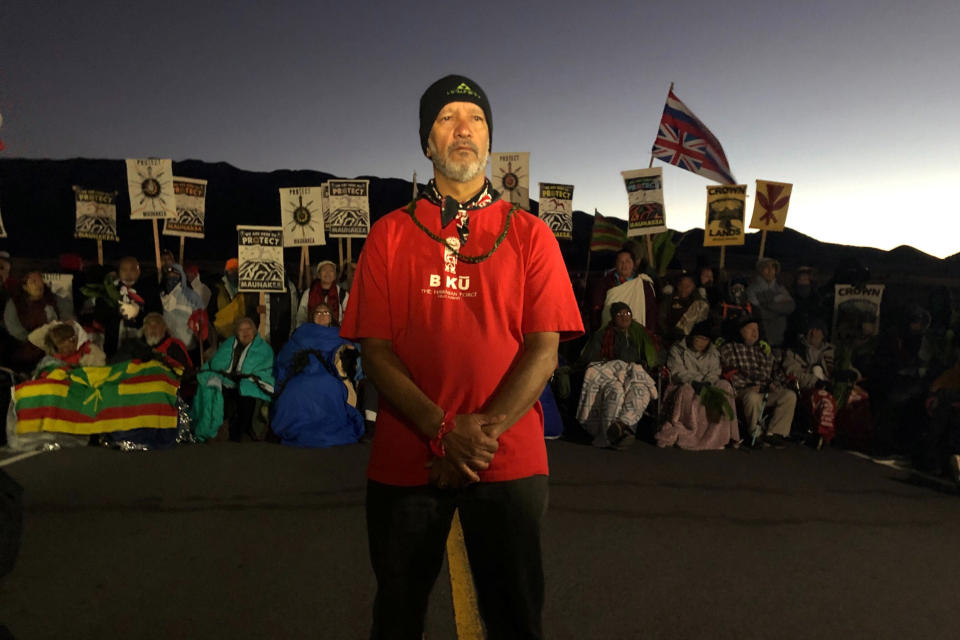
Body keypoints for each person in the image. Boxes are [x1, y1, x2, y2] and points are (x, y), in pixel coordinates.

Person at [339, 74, 583, 639]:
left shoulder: (530, 234)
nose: (463, 129)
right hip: (407, 455)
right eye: (447, 118)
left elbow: (544, 351)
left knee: (515, 618)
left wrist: (474, 439)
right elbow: (375, 351)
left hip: (507, 455)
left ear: (490, 141)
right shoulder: (389, 235)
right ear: (427, 142)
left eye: (475, 119)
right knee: (397, 615)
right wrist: (442, 429)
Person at [576, 302, 658, 449]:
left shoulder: (640, 333)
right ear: (613, 317)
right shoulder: (603, 334)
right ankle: (611, 436)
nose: (624, 317)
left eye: (627, 314)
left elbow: (656, 353)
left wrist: (645, 365)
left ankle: (622, 426)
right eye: (619, 314)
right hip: (611, 374)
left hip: (633, 373)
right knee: (616, 391)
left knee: (641, 391)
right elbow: (590, 358)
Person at [270, 321, 363, 447]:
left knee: (331, 387)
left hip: (329, 373)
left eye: (326, 312)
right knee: (294, 390)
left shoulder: (337, 335)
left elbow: (346, 356)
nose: (322, 315)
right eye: (319, 313)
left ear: (331, 316)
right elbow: (287, 354)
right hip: (301, 371)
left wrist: (339, 354)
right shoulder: (303, 332)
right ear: (312, 316)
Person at [656, 321, 739, 450]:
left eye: (705, 339)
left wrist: (708, 383)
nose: (702, 342)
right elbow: (677, 372)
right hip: (684, 384)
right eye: (699, 338)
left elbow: (715, 372)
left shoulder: (713, 353)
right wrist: (695, 381)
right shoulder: (678, 350)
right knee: (687, 391)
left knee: (724, 386)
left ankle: (724, 436)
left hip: (707, 384)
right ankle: (689, 434)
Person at [192, 317, 274, 442]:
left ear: (255, 331)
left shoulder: (263, 348)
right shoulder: (228, 345)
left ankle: (239, 433)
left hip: (251, 382)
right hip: (229, 381)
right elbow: (217, 363)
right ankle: (213, 428)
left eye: (248, 329)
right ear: (236, 333)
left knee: (246, 396)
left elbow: (266, 368)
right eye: (241, 330)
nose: (245, 332)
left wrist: (246, 378)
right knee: (212, 390)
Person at [720, 316, 797, 447]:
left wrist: (774, 385)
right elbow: (731, 373)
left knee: (789, 396)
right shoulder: (730, 348)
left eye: (756, 329)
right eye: (751, 329)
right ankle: (756, 434)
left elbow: (776, 372)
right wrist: (750, 385)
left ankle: (774, 433)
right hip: (744, 390)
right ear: (741, 331)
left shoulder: (763, 350)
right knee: (752, 397)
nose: (755, 333)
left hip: (765, 390)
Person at [3, 271, 74, 371]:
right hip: (28, 346)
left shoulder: (53, 299)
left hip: (56, 342)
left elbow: (66, 317)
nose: (38, 285)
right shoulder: (15, 304)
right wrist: (34, 340)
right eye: (33, 282)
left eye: (40, 281)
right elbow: (14, 329)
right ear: (25, 287)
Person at [589, 247, 659, 334]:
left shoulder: (643, 284)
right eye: (621, 262)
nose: (624, 265)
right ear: (616, 264)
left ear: (633, 264)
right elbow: (597, 308)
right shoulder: (605, 283)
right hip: (610, 333)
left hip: (637, 332)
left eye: (628, 261)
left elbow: (651, 311)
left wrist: (650, 334)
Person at [746, 257, 795, 347]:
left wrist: (769, 305)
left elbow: (790, 307)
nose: (770, 271)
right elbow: (758, 312)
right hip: (762, 336)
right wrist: (779, 312)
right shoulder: (752, 289)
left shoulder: (780, 288)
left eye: (773, 268)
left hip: (779, 336)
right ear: (760, 270)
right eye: (766, 268)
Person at [28, 321, 106, 374]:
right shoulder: (54, 345)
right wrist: (56, 325)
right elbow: (33, 337)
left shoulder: (90, 352)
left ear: (71, 340)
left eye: (64, 349)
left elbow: (101, 373)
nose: (61, 352)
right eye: (59, 349)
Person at [659, 272, 709, 344]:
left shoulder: (698, 302)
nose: (684, 289)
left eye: (688, 286)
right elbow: (662, 317)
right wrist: (666, 333)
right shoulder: (670, 299)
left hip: (690, 340)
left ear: (693, 286)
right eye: (681, 285)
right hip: (670, 337)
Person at [296, 260, 341, 326]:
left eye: (331, 271)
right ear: (319, 275)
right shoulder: (309, 293)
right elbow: (301, 315)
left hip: (335, 333)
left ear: (335, 276)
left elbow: (347, 318)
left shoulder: (342, 294)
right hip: (312, 332)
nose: (328, 273)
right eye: (324, 270)